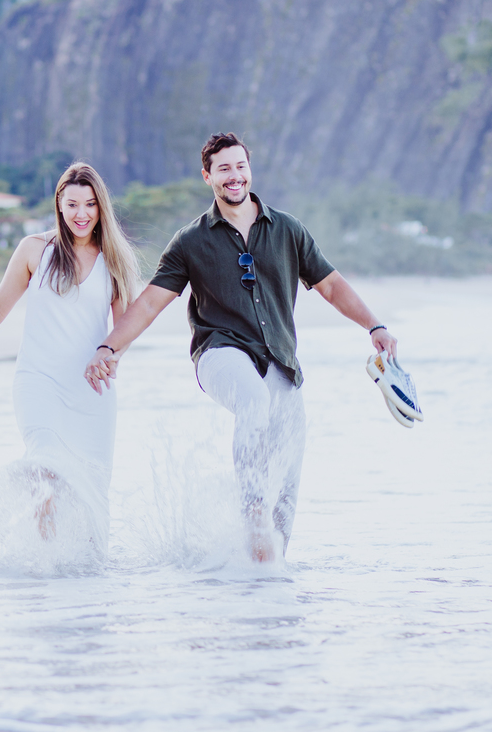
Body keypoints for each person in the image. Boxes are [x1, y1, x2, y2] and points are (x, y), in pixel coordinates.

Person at [85, 133, 398, 563]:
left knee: (288, 487)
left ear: (250, 169)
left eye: (240, 166)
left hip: (282, 363)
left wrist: (373, 324)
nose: (235, 176)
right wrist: (109, 347)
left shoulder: (287, 229)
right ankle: (250, 512)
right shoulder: (190, 241)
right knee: (252, 401)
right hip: (220, 353)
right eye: (224, 168)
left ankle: (265, 582)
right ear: (208, 176)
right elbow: (151, 303)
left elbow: (330, 285)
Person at [0, 163, 140, 568]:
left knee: (92, 489)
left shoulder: (115, 260)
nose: (81, 213)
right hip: (39, 383)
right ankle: (41, 564)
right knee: (46, 467)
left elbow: (123, 329)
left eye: (89, 204)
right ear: (59, 206)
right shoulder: (35, 250)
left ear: (101, 207)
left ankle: (88, 576)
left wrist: (112, 358)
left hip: (92, 394)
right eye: (72, 204)